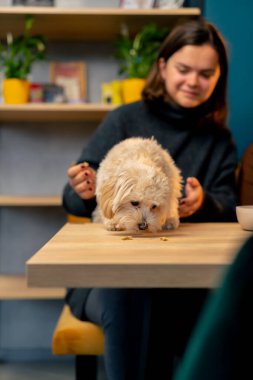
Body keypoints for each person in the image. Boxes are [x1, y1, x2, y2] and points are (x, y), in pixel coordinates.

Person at [63, 18, 238, 380]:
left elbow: (227, 203)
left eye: (206, 73)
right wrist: (83, 190)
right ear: (162, 66)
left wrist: (202, 201)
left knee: (195, 303)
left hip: (181, 276)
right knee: (129, 291)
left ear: (220, 76)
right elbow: (75, 198)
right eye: (184, 69)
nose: (193, 81)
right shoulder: (123, 120)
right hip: (107, 279)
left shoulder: (217, 139)